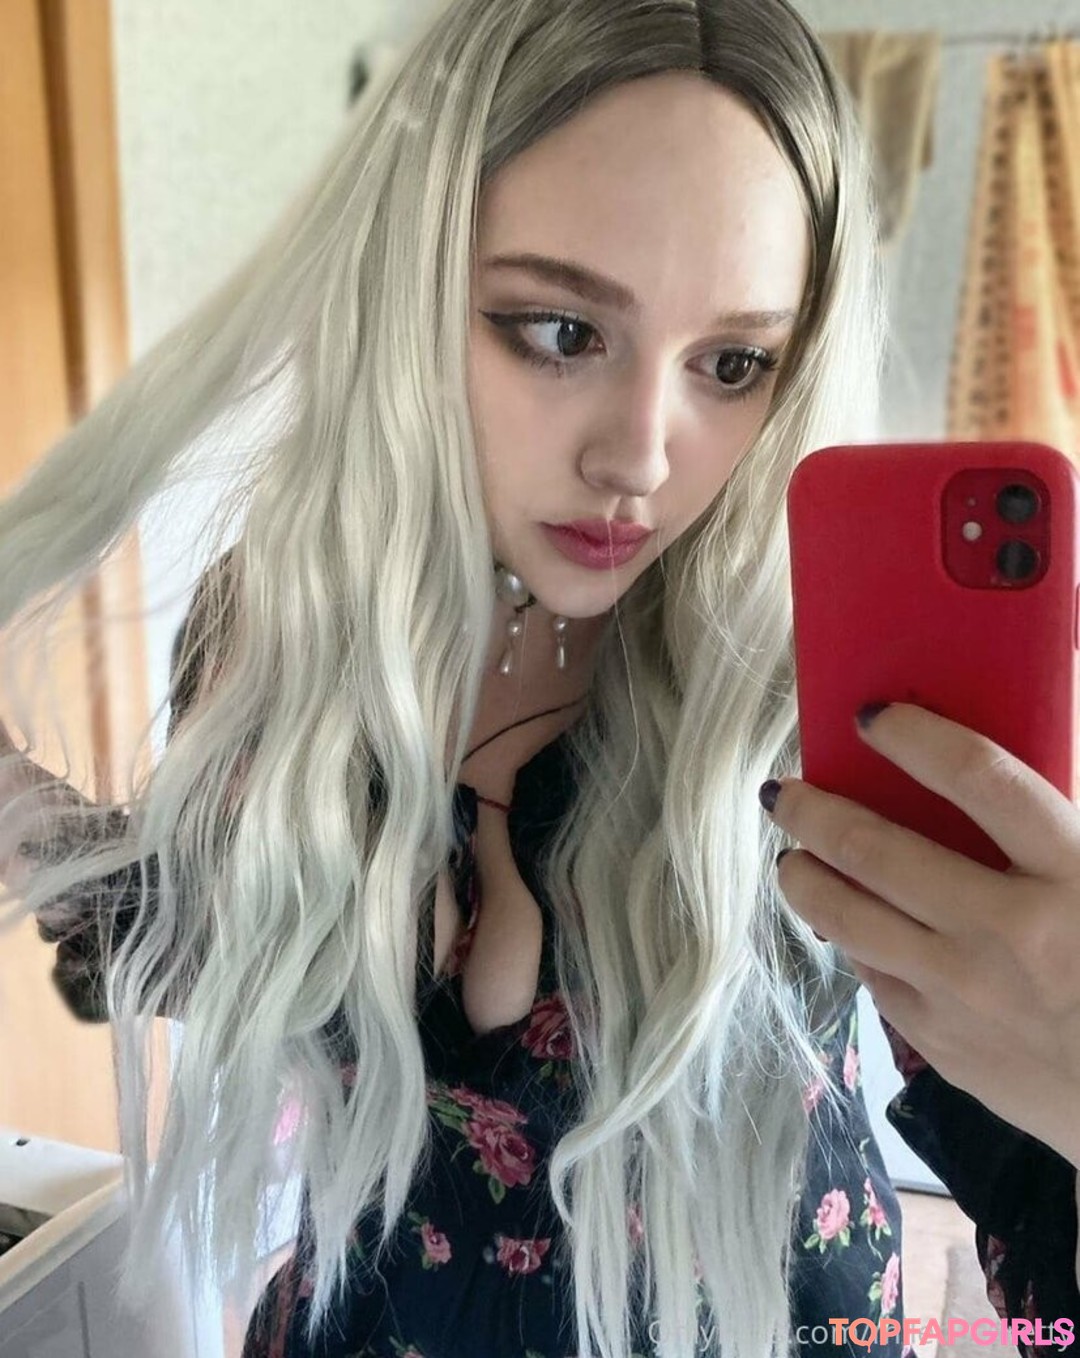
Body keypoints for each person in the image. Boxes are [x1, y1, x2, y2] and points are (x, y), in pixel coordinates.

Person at [0, 0, 1077, 1355]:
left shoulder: (831, 694)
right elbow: (233, 926)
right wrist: (30, 818)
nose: (641, 456)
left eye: (733, 363)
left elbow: (1041, 1215)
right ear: (410, 290)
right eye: (560, 331)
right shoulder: (281, 628)